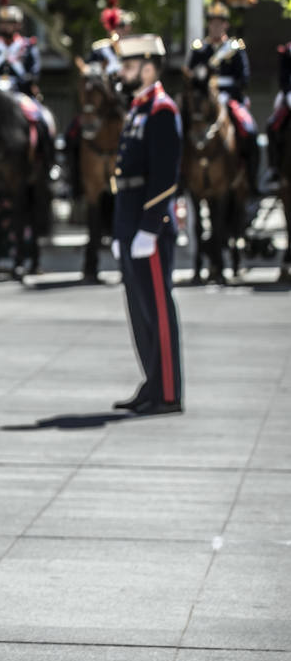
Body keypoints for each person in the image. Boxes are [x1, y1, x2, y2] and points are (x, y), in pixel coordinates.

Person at [111, 33, 183, 416]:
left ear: (149, 67)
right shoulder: (138, 108)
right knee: (140, 313)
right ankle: (152, 383)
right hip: (130, 223)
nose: (122, 72)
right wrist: (122, 228)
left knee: (157, 310)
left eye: (128, 65)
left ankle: (168, 392)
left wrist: (150, 227)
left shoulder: (161, 110)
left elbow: (164, 176)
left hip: (147, 228)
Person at [187, 0, 258, 196]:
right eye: (212, 22)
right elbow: (191, 77)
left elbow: (244, 78)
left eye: (220, 23)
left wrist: (227, 93)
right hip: (204, 100)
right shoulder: (200, 49)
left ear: (226, 24)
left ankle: (252, 180)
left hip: (230, 98)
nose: (215, 26)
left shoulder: (235, 48)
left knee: (250, 130)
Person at [0, 0, 41, 92]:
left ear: (18, 25)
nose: (5, 26)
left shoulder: (28, 47)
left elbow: (33, 74)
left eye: (9, 23)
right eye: (2, 23)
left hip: (20, 92)